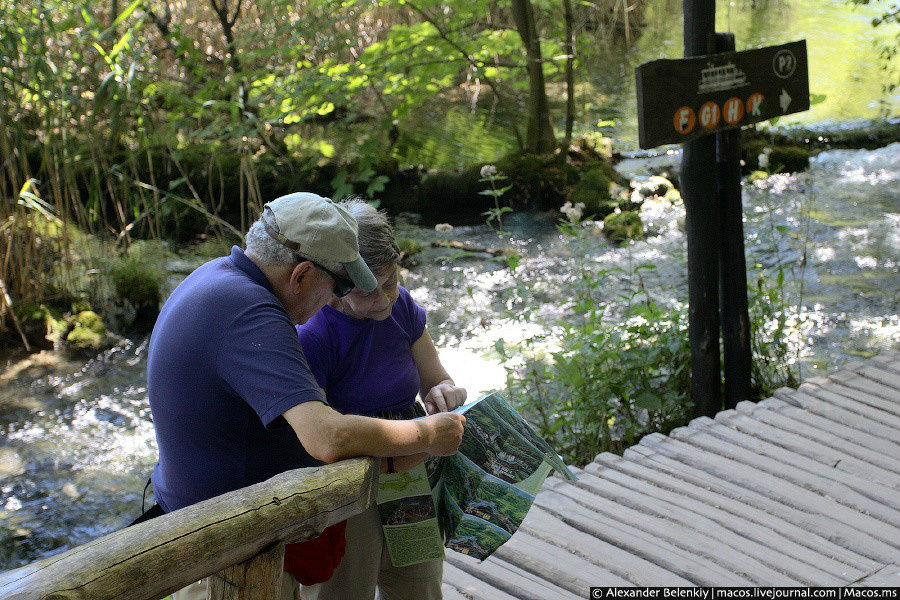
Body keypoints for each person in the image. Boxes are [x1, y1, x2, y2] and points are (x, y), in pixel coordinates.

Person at [146, 192, 466, 600]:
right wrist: (426, 436)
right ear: (301, 275)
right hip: (222, 539)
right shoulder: (250, 311)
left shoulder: (217, 277)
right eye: (336, 287)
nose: (332, 301)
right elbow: (326, 437)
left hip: (227, 522)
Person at [297, 198, 467, 600]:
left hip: (410, 468)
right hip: (348, 479)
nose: (386, 299)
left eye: (391, 281)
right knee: (344, 589)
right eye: (369, 292)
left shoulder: (402, 307)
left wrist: (445, 393)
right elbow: (318, 439)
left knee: (419, 584)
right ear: (335, 284)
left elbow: (436, 380)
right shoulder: (314, 334)